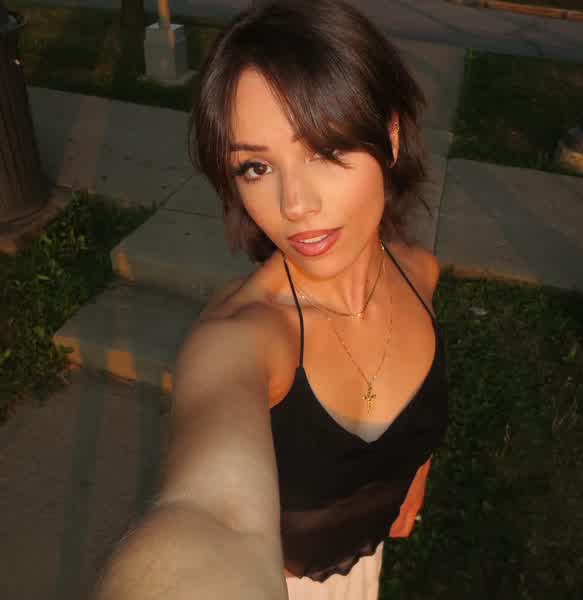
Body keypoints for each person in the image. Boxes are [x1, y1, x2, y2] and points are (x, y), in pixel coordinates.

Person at [95, 1, 449, 598]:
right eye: (257, 167)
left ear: (390, 138)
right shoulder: (240, 339)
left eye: (324, 151)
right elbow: (211, 518)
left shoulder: (419, 275)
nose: (294, 204)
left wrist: (412, 474)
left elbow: (416, 414)